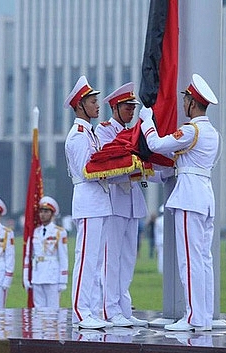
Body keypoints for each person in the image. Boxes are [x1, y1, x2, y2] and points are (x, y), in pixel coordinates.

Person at [140, 73, 219, 332]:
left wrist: (147, 122)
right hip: (204, 197)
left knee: (190, 260)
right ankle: (203, 317)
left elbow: (156, 144)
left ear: (192, 103)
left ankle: (194, 317)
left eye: (186, 99)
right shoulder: (211, 133)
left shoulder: (190, 130)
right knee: (203, 260)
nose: (183, 103)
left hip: (189, 198)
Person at [94, 82, 148, 327]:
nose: (131, 111)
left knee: (127, 258)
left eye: (133, 107)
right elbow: (107, 164)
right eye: (127, 107)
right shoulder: (104, 131)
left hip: (132, 200)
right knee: (111, 258)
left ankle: (123, 308)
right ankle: (109, 309)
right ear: (115, 107)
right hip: (114, 199)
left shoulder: (134, 132)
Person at [64, 75, 113, 330]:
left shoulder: (90, 133)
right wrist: (112, 166)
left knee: (95, 260)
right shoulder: (79, 135)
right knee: (85, 258)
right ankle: (81, 312)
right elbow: (86, 170)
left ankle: (92, 309)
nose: (97, 106)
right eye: (93, 101)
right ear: (80, 105)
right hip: (88, 199)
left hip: (99, 199)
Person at [23, 196, 68, 309]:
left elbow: (63, 257)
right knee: (38, 310)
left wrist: (63, 280)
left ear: (52, 214)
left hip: (52, 275)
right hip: (37, 274)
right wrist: (25, 276)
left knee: (53, 309)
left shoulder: (59, 232)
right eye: (41, 211)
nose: (43, 214)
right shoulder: (35, 232)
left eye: (46, 211)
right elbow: (28, 255)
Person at [154, 205, 165, 274]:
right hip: (168, 240)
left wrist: (156, 243)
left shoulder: (158, 220)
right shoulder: (171, 220)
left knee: (161, 255)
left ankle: (161, 270)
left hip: (160, 239)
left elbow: (156, 232)